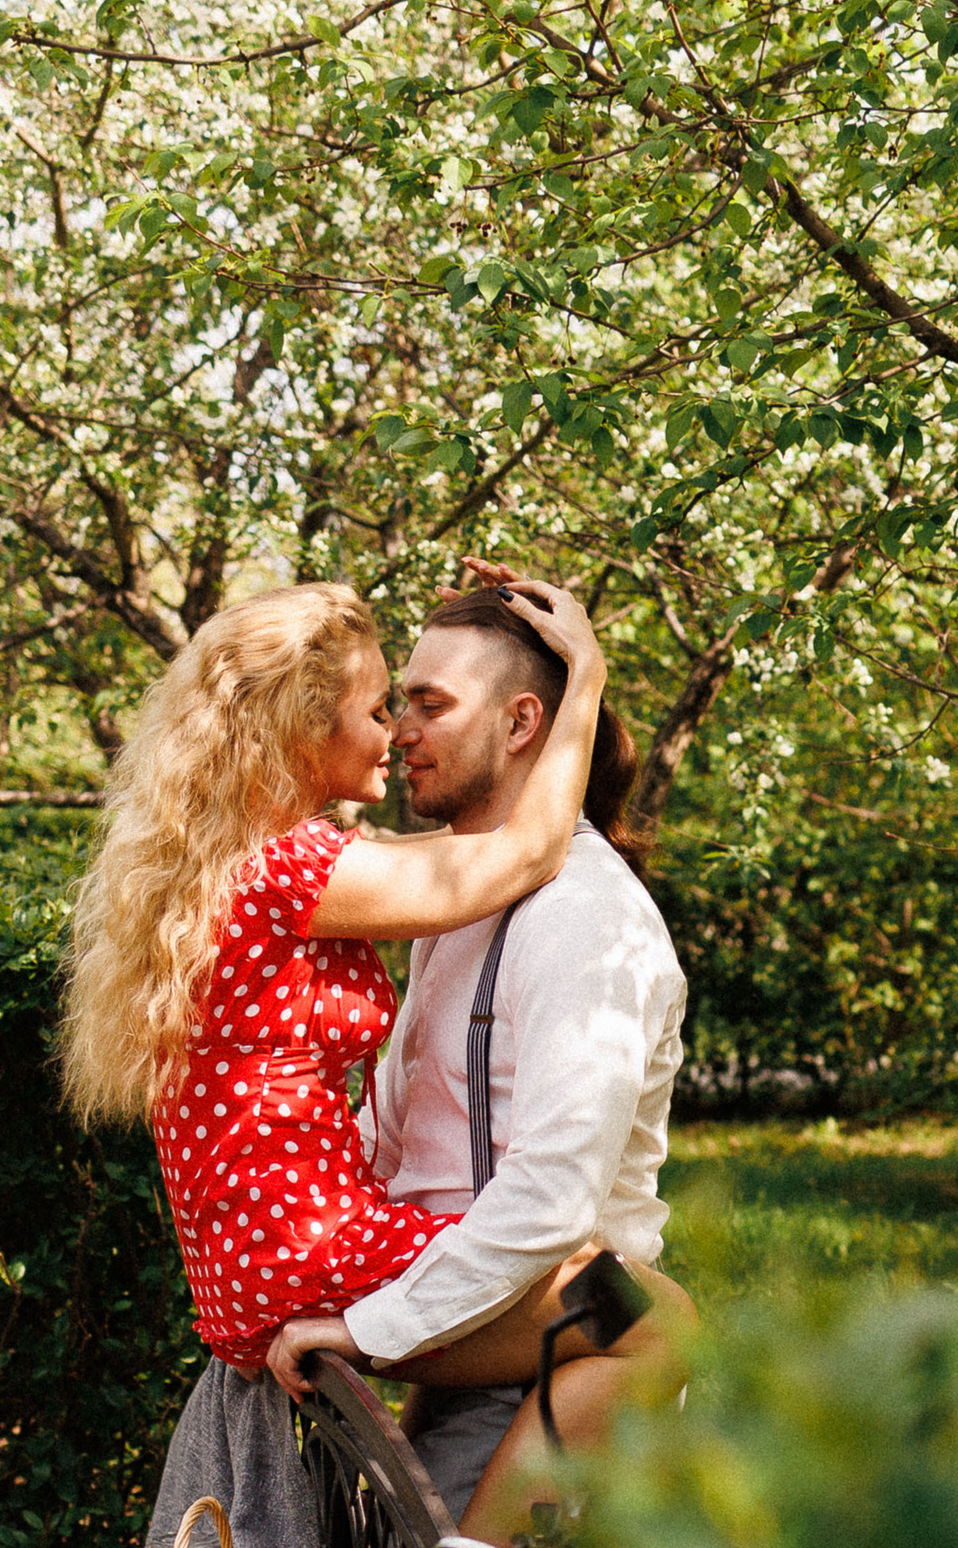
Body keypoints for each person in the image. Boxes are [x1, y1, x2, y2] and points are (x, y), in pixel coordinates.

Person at [58, 570, 607, 1374]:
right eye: (380, 708)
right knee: (637, 1311)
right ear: (304, 729)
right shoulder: (290, 873)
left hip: (256, 1261)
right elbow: (521, 853)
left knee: (539, 1312)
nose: (397, 730)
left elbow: (450, 854)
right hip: (308, 1249)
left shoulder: (233, 866)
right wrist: (584, 675)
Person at [261, 576, 691, 1535]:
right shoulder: (453, 906)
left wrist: (371, 1326)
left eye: (428, 704)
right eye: (396, 703)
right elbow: (395, 1129)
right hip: (453, 1305)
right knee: (665, 1325)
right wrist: (347, 1298)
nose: (398, 730)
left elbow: (555, 1195)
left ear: (523, 722)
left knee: (647, 1321)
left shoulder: (587, 919)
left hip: (539, 1332)